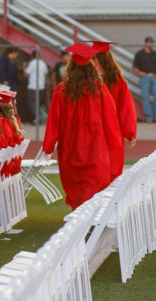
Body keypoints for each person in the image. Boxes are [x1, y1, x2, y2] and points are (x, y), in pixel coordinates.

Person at [41, 43, 124, 208]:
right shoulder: (99, 89)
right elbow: (110, 119)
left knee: (76, 185)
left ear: (70, 67)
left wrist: (48, 147)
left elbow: (53, 121)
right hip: (95, 147)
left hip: (70, 147)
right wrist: (114, 142)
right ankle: (91, 219)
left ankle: (78, 215)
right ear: (92, 68)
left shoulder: (61, 90)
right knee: (94, 182)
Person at [92, 42, 137, 156]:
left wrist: (129, 131)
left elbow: (126, 106)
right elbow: (127, 106)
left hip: (106, 128)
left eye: (94, 58)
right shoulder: (91, 80)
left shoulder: (115, 80)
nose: (93, 61)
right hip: (102, 128)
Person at [132, 36, 156, 123]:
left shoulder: (155, 53)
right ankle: (149, 117)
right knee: (146, 97)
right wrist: (141, 73)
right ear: (145, 42)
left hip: (154, 77)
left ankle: (155, 115)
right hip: (144, 78)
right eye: (150, 42)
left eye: (152, 42)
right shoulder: (139, 54)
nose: (151, 44)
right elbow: (134, 67)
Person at [22, 50, 49, 126]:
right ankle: (37, 118)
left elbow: (26, 74)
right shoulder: (43, 63)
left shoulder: (32, 63)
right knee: (38, 104)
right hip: (41, 86)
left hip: (33, 86)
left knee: (31, 104)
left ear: (32, 56)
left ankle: (37, 117)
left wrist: (24, 66)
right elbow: (46, 74)